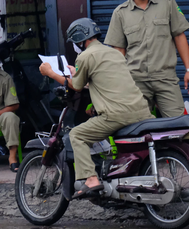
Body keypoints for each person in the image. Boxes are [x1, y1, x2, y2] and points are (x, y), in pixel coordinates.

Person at [39, 18, 154, 200]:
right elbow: (104, 80)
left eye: (75, 43)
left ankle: (91, 179)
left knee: (77, 135)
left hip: (116, 115)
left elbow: (75, 87)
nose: (76, 46)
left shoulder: (84, 56)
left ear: (80, 40)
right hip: (141, 111)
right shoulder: (115, 53)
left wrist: (51, 73)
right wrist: (78, 75)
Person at [104, 0, 189, 118]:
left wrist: (188, 70)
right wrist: (120, 82)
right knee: (137, 128)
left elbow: (179, 36)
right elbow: (118, 51)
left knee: (178, 125)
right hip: (136, 82)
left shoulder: (167, 3)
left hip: (166, 78)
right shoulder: (120, 13)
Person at [0, 70, 20, 172]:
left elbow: (14, 104)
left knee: (11, 117)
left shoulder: (5, 77)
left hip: (0, 113)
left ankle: (12, 157)